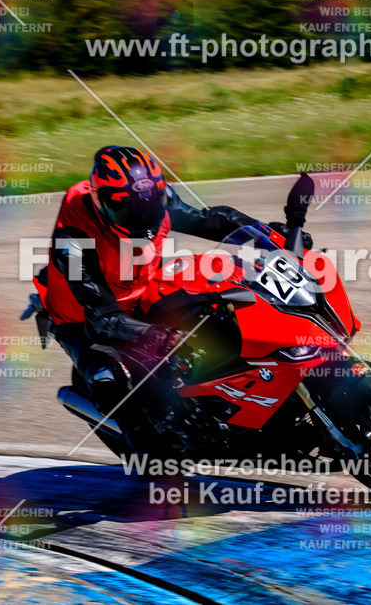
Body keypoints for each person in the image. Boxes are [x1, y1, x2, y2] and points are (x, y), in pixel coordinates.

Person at [27, 145, 309, 445]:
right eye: (127, 209)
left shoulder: (152, 199)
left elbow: (212, 220)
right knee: (107, 376)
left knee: (221, 295)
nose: (142, 217)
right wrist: (158, 334)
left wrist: (270, 236)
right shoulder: (72, 241)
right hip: (83, 315)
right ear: (100, 202)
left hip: (141, 285)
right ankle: (147, 448)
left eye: (149, 206)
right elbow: (102, 317)